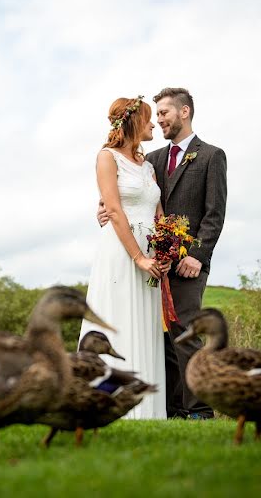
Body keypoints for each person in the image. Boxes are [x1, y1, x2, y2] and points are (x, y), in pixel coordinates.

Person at [99, 87, 227, 419]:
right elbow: (126, 196)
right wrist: (103, 209)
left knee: (186, 332)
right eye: (154, 115)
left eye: (164, 113)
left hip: (189, 264)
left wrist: (196, 255)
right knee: (160, 338)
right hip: (151, 259)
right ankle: (172, 411)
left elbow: (214, 214)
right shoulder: (149, 159)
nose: (159, 120)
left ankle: (200, 410)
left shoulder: (212, 156)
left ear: (184, 112)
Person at [79, 96, 170, 420]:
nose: (153, 124)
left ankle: (148, 411)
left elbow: (159, 212)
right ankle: (110, 406)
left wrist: (166, 248)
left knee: (145, 325)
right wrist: (137, 257)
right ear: (133, 123)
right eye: (148, 119)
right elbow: (114, 209)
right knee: (120, 321)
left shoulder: (148, 166)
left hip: (150, 254)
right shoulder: (107, 158)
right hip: (121, 252)